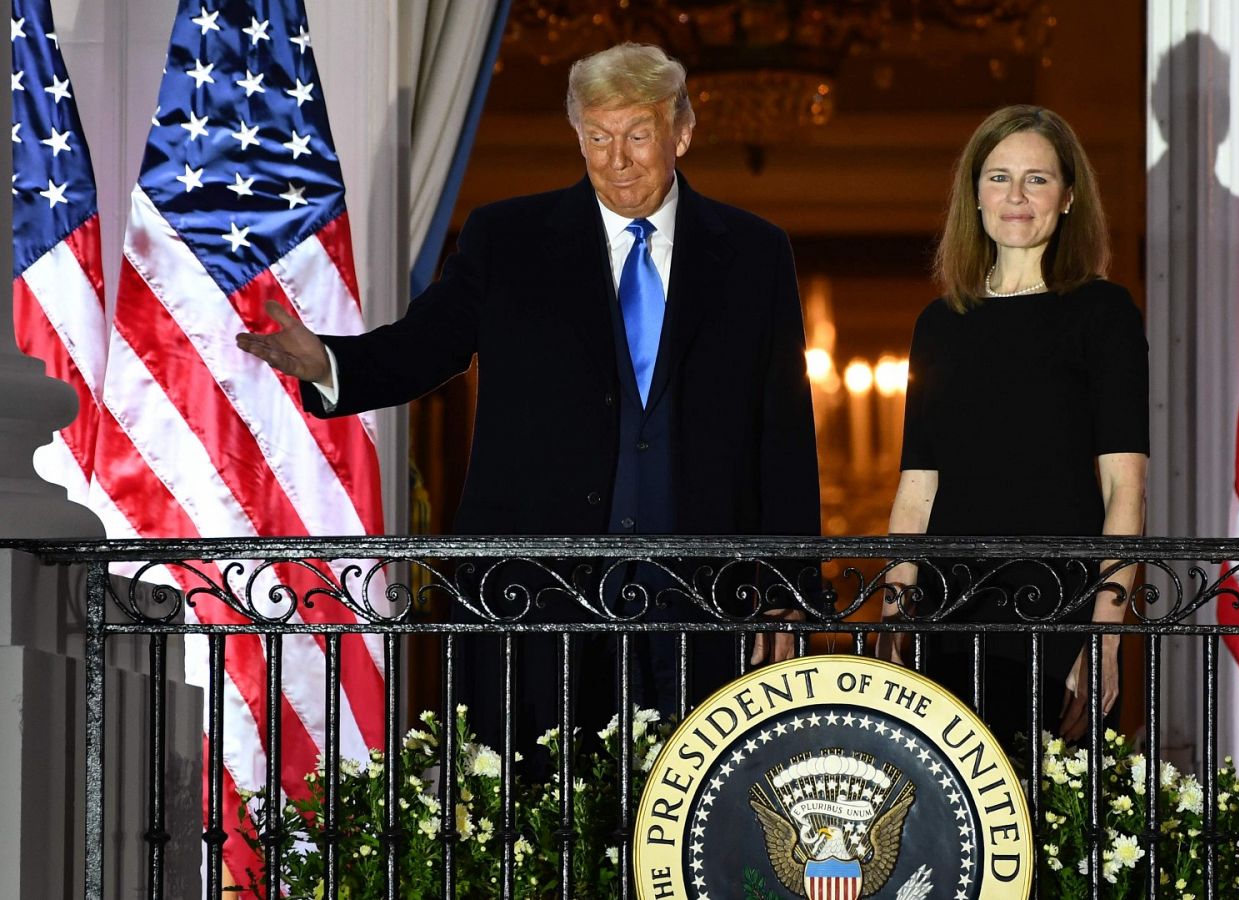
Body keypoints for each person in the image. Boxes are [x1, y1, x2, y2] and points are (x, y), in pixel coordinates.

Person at [237, 43, 820, 756]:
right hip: (537, 596)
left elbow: (782, 430)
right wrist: (331, 360)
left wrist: (788, 590)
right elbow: (427, 344)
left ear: (682, 133)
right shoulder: (507, 239)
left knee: (692, 813)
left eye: (638, 135)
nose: (618, 159)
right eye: (598, 137)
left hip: (700, 600)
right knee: (541, 818)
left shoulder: (755, 254)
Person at [878, 104, 1148, 743]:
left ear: (1069, 196)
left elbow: (1125, 490)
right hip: (947, 612)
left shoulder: (1102, 313)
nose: (1016, 197)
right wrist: (893, 615)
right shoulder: (939, 323)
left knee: (1046, 825)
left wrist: (1105, 638)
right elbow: (917, 490)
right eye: (999, 177)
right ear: (974, 195)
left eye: (1038, 178)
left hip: (1056, 611)